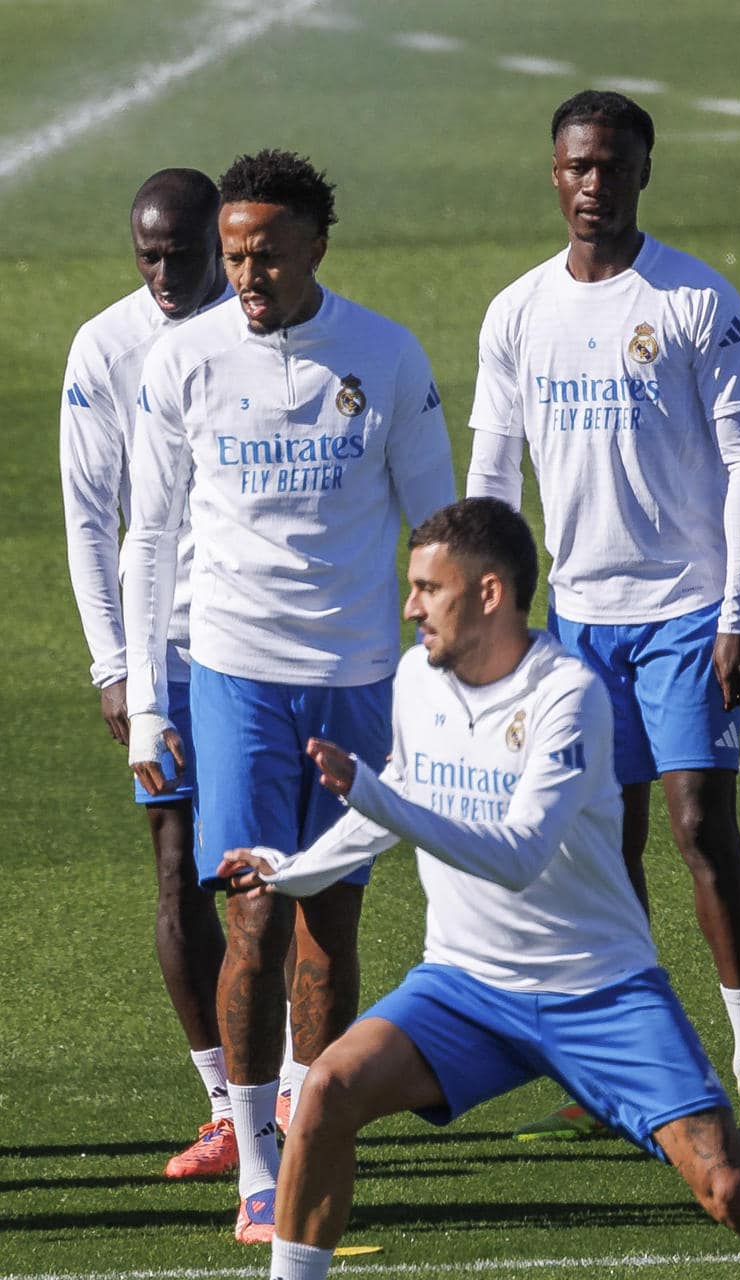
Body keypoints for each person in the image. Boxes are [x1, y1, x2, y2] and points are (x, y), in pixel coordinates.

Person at [214, 499, 740, 1280]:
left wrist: (374, 794)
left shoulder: (567, 696)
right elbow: (407, 791)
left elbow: (517, 854)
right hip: (465, 989)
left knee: (726, 1185)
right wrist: (290, 872)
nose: (409, 605)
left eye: (427, 588)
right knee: (327, 1091)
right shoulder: (417, 677)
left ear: (489, 594)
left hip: (599, 992)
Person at [121, 149, 456, 1241]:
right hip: (234, 677)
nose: (247, 275)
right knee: (252, 917)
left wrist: (448, 677)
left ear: (316, 243)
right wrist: (151, 701)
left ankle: (313, 1127)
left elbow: (438, 523)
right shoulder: (187, 361)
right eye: (233, 256)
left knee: (334, 919)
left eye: (264, 253)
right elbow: (151, 536)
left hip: (357, 678)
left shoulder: (385, 356)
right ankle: (256, 1164)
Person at [465, 89, 740, 1140]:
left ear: (643, 174)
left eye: (613, 166)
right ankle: (631, 1064)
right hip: (576, 620)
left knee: (700, 823)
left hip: (685, 611)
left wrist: (738, 613)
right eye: (577, 167)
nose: (594, 186)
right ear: (552, 173)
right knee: (603, 851)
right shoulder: (518, 311)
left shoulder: (697, 300)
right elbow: (491, 472)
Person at [59, 168, 235, 1179]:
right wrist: (113, 663)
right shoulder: (105, 346)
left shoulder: (260, 327)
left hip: (256, 643)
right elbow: (89, 515)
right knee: (178, 869)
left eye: (180, 251)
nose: (163, 271)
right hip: (159, 651)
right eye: (148, 253)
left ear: (221, 237)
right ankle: (224, 1104)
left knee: (275, 872)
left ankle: (294, 1087)